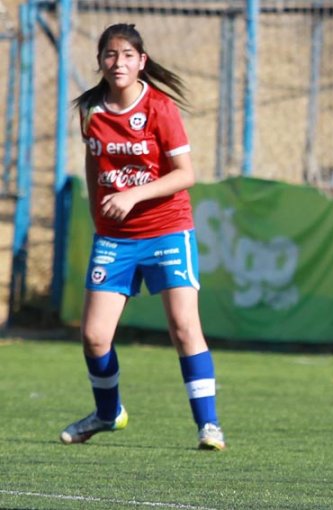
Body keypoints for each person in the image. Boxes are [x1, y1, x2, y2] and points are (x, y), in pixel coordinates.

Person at [60, 23, 225, 451]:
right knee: (95, 336)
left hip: (167, 229)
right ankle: (108, 413)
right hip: (115, 238)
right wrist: (102, 217)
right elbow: (93, 168)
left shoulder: (159, 108)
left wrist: (132, 195)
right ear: (99, 61)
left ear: (142, 62)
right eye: (111, 55)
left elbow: (186, 175)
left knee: (184, 326)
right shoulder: (91, 111)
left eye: (128, 56)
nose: (119, 63)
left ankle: (208, 426)